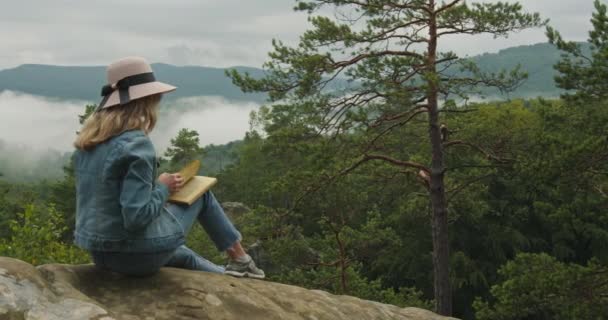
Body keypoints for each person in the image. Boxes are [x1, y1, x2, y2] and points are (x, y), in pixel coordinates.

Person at [72, 56, 264, 279]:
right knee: (201, 193)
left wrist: (157, 189)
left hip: (102, 255)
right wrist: (163, 188)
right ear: (145, 99)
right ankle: (241, 260)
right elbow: (136, 218)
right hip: (134, 256)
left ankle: (232, 279)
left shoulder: (87, 143)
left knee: (184, 256)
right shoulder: (136, 144)